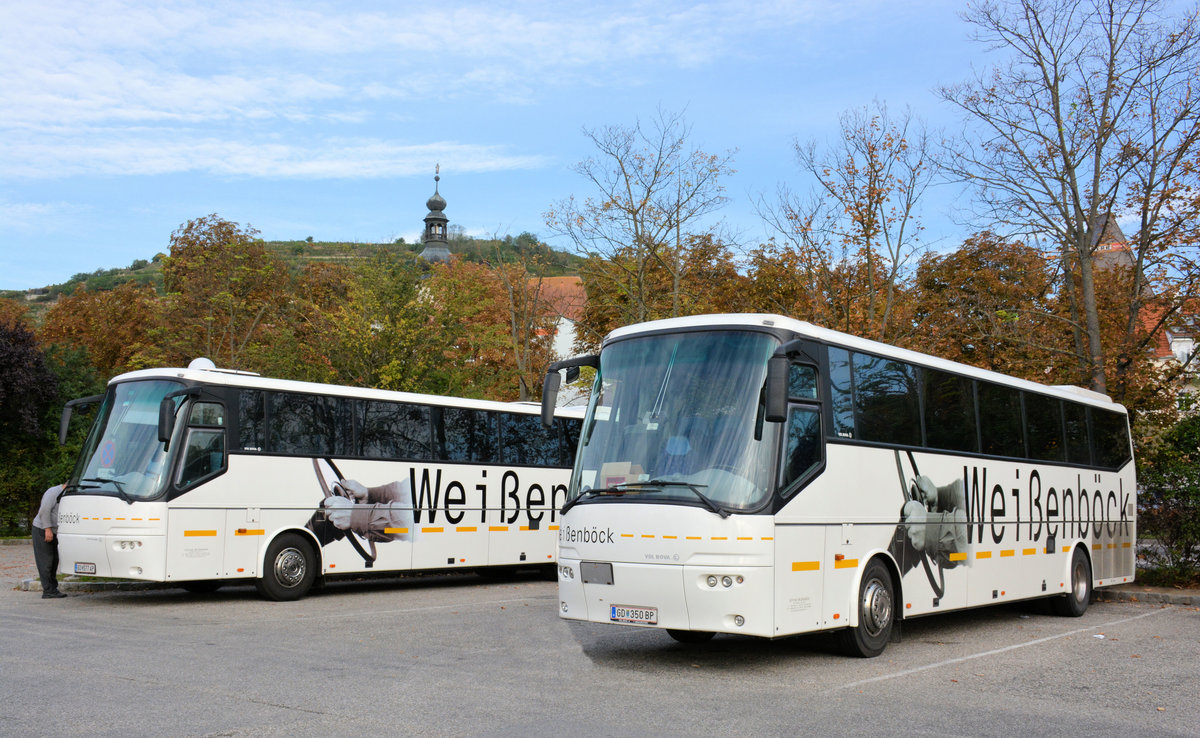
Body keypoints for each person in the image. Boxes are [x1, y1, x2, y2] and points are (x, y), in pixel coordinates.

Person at [32, 482, 67, 599]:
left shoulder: (65, 495)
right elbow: (44, 511)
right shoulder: (53, 492)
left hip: (54, 531)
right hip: (42, 529)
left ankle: (53, 588)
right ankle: (48, 590)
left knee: (54, 561)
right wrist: (47, 529)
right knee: (45, 561)